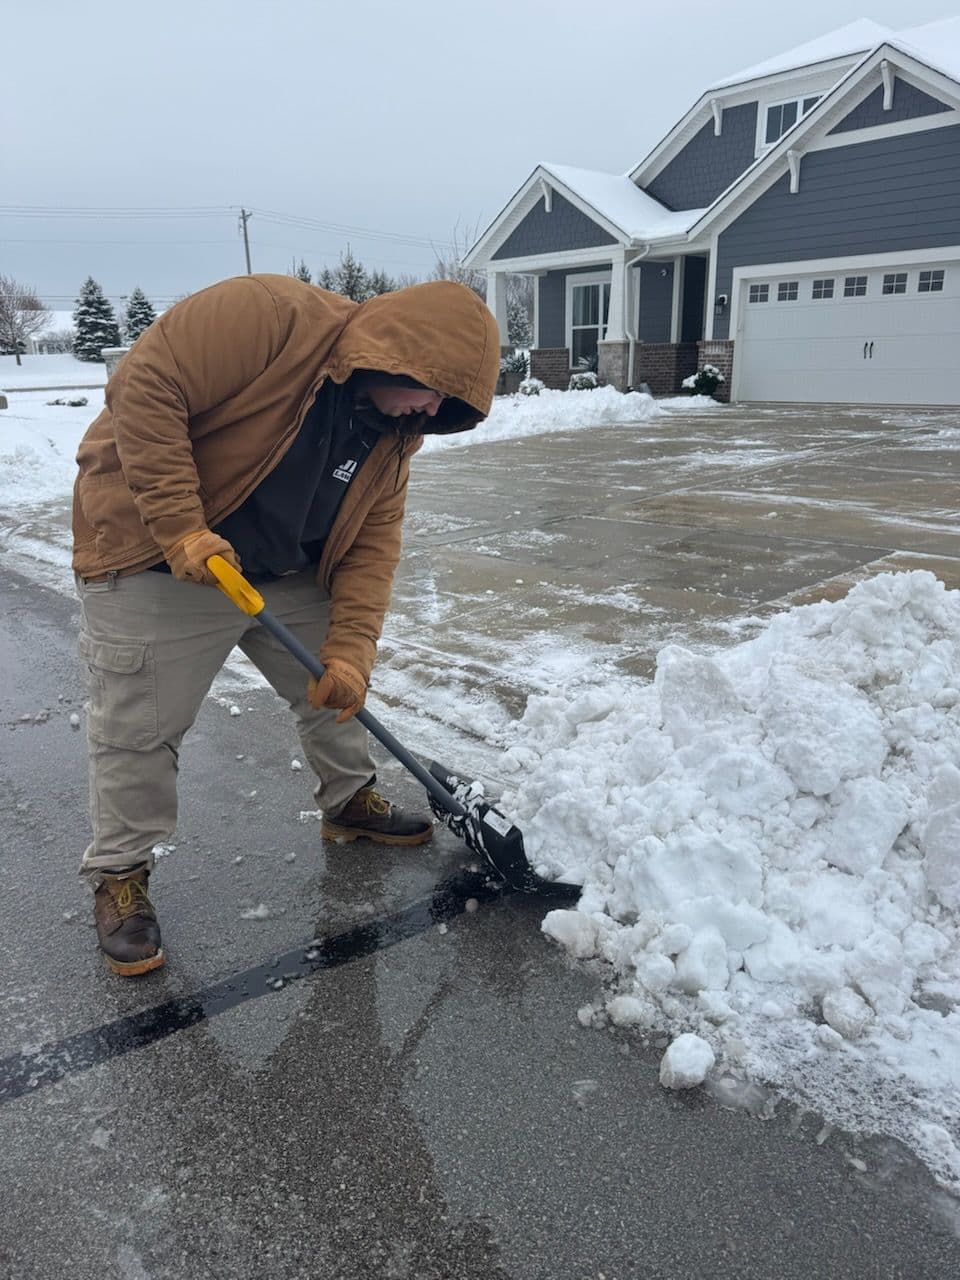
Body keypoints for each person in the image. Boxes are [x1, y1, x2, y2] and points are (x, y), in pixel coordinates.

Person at [72, 273, 500, 976]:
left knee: (332, 683)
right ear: (399, 353)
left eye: (448, 406)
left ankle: (348, 801)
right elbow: (145, 387)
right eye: (435, 391)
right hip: (156, 551)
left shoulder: (395, 437)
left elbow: (372, 549)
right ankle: (120, 875)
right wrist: (182, 529)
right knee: (138, 726)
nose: (431, 412)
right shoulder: (268, 316)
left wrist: (354, 654)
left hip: (279, 567)